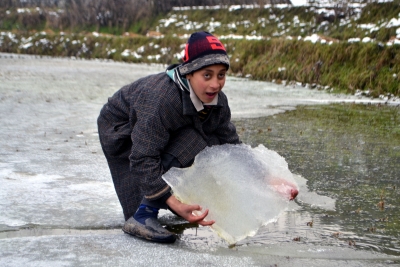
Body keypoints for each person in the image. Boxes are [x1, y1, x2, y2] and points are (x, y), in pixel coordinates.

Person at [97, 31, 240, 243]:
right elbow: (142, 157)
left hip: (154, 133)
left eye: (221, 75)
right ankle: (144, 214)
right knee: (195, 139)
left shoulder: (218, 101)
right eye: (207, 75)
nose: (215, 84)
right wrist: (173, 202)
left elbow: (230, 140)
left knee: (212, 139)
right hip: (120, 130)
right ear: (189, 73)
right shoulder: (162, 99)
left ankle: (161, 199)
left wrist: (265, 176)